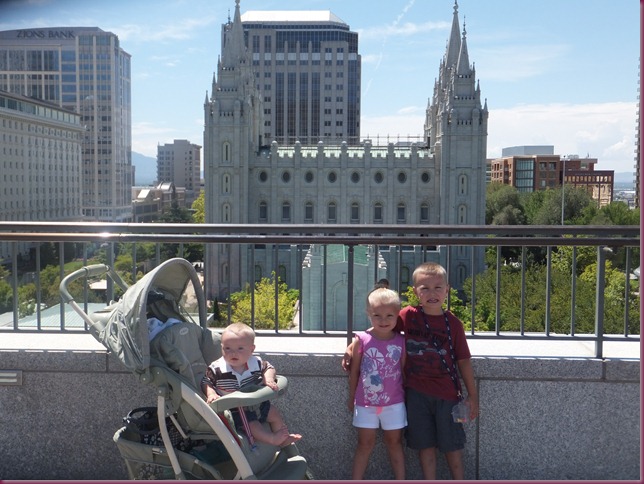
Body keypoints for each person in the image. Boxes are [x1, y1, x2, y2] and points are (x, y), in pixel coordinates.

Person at [343, 262, 479, 480]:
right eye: (425, 288)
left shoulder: (453, 324)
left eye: (438, 287)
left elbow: (464, 361)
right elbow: (380, 324)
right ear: (415, 291)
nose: (432, 293)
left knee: (452, 446)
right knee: (424, 446)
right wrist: (353, 344)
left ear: (447, 289)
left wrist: (473, 396)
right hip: (416, 394)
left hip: (448, 394)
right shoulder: (408, 315)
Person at [201, 322, 301, 447]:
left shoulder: (256, 363)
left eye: (240, 349)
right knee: (253, 424)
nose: (233, 353)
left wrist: (268, 378)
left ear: (251, 349)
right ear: (221, 347)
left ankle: (283, 438)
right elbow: (206, 381)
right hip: (235, 410)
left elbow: (269, 368)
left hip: (257, 403)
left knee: (274, 413)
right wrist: (211, 393)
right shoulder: (217, 368)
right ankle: (272, 439)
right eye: (227, 348)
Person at [348, 287, 406, 480]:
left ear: (398, 315)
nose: (383, 320)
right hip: (365, 403)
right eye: (377, 315)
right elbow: (354, 372)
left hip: (395, 403)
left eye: (389, 315)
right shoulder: (362, 339)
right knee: (364, 443)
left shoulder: (401, 341)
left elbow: (404, 373)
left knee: (394, 442)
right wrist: (351, 399)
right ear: (368, 314)